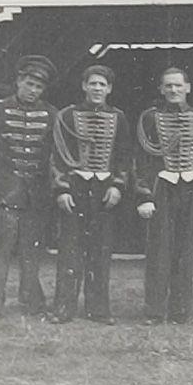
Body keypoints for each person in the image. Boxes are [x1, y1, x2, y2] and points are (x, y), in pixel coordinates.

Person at [0, 55, 57, 321]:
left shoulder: (51, 114)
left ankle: (32, 302)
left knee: (31, 249)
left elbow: (53, 153)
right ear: (19, 81)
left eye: (39, 87)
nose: (33, 90)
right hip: (5, 192)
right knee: (1, 250)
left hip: (36, 193)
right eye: (29, 84)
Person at [50, 65, 131, 324]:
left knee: (100, 250)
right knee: (70, 249)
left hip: (104, 190)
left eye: (102, 85)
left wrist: (117, 186)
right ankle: (64, 308)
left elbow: (124, 156)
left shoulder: (118, 117)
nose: (97, 88)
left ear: (109, 89)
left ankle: (98, 309)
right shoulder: (67, 116)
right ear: (84, 86)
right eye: (93, 83)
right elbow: (57, 155)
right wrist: (62, 189)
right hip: (75, 187)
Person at [136, 67, 193, 324]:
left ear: (187, 88)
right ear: (161, 89)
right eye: (168, 86)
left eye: (178, 85)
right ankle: (155, 311)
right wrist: (144, 195)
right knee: (158, 251)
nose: (173, 90)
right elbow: (143, 160)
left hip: (190, 188)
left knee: (185, 250)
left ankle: (181, 311)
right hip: (162, 188)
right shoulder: (151, 117)